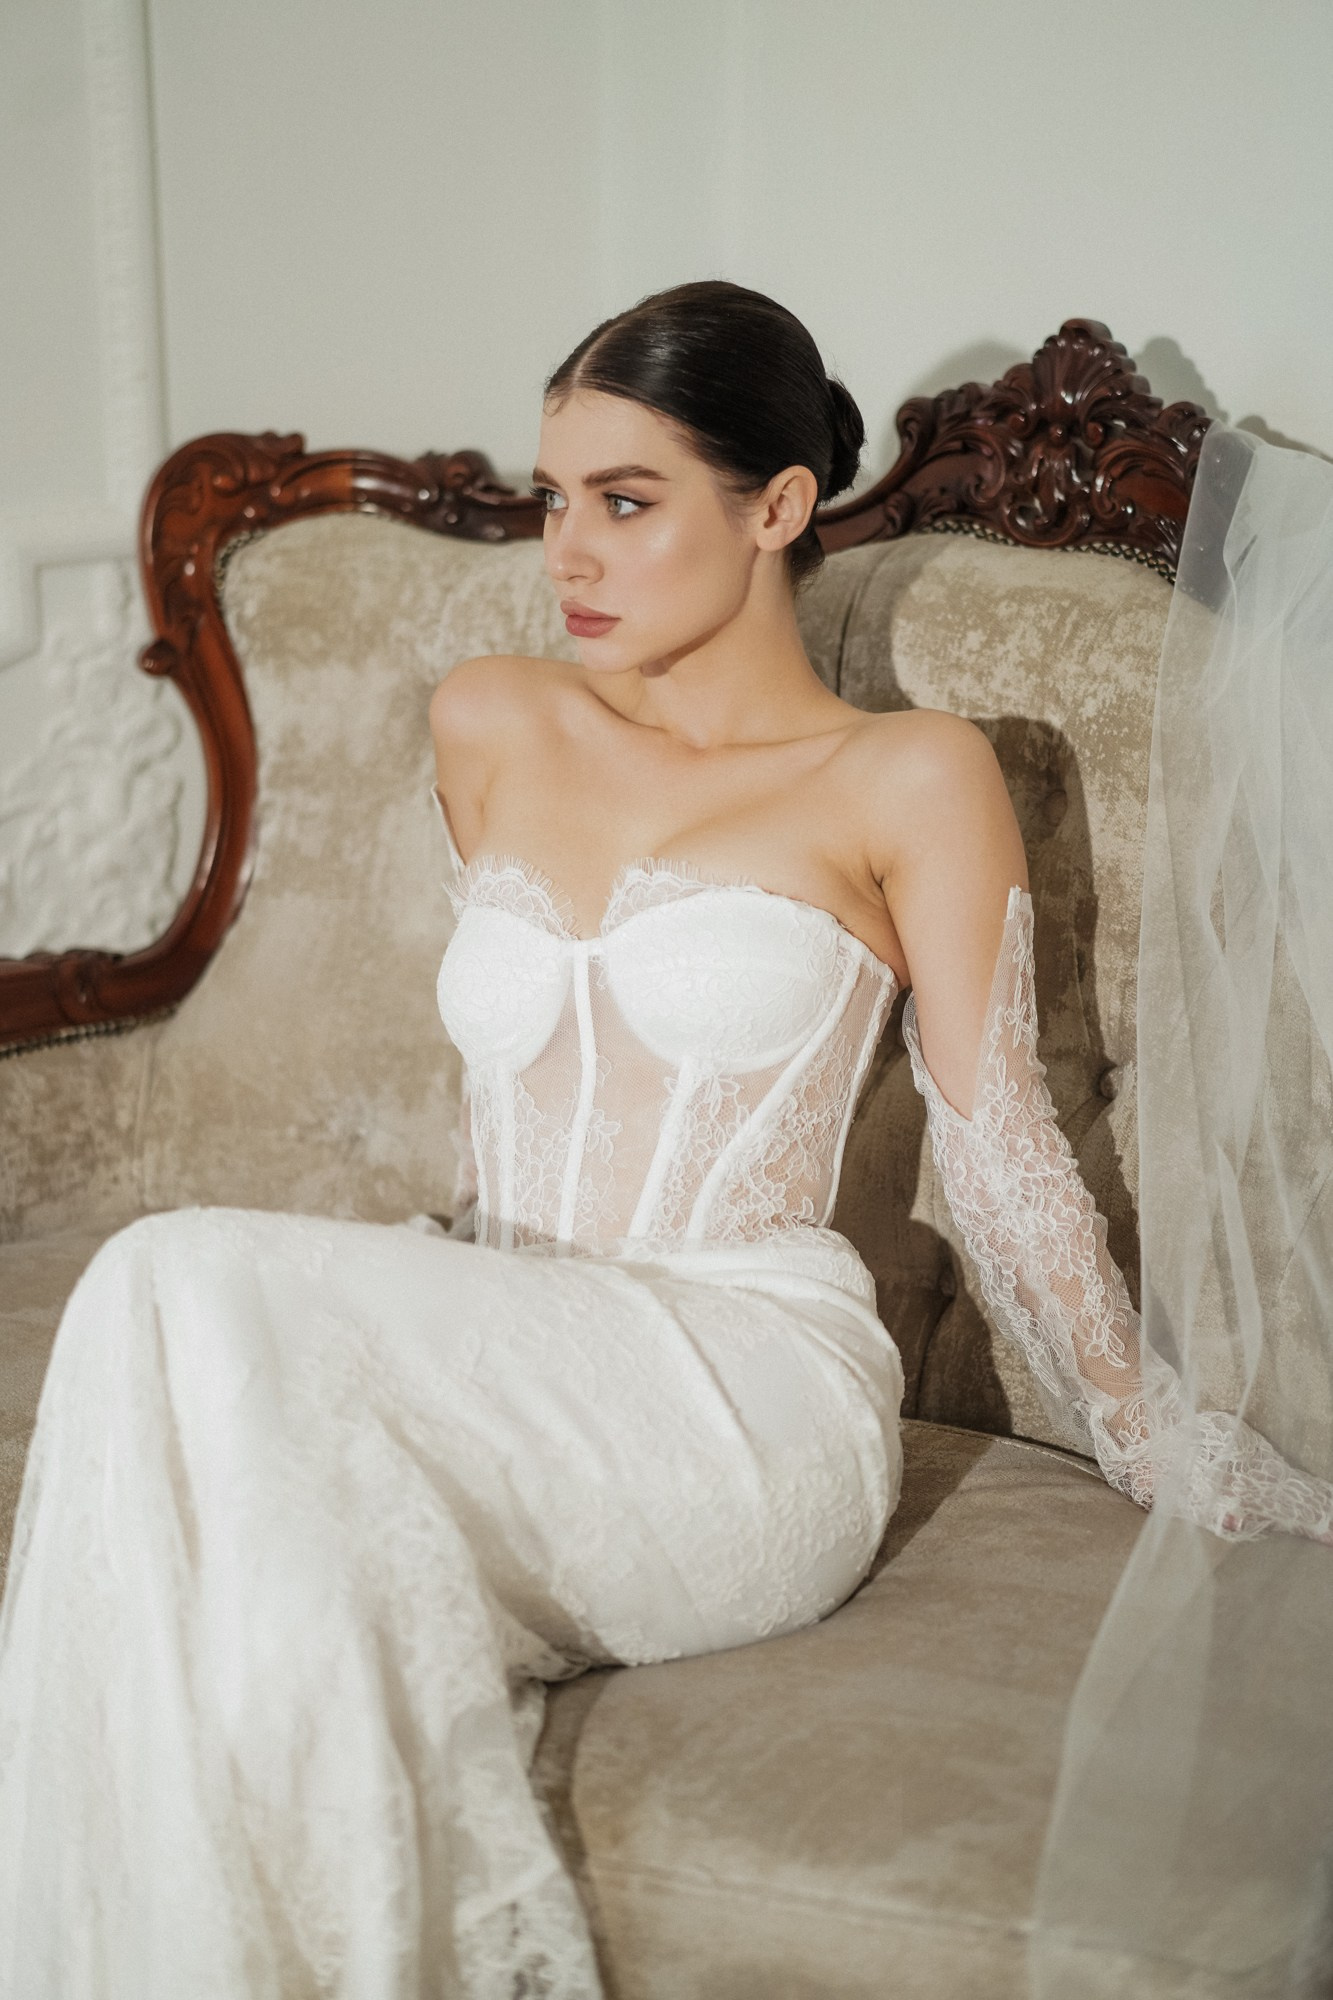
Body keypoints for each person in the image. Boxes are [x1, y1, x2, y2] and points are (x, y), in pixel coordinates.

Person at [0, 280, 1328, 2000]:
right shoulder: (491, 719)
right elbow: (513, 1100)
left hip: (743, 1389)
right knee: (221, 1501)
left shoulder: (906, 777)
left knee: (170, 1282)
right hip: (519, 1334)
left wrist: (1150, 1433)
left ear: (777, 508)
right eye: (556, 499)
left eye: (626, 503)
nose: (568, 552)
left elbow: (1002, 1149)